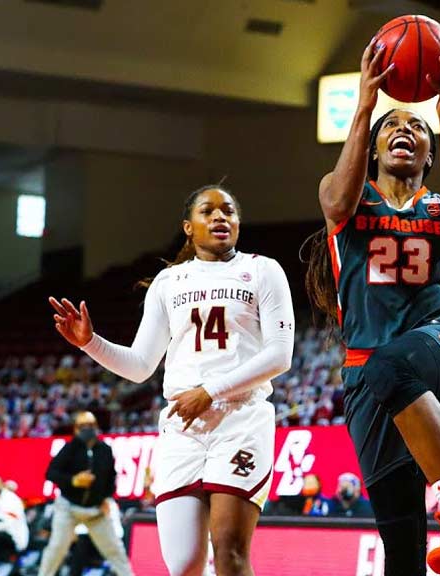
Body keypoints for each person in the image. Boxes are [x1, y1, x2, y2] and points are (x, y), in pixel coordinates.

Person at [304, 35, 440, 576]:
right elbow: (334, 201)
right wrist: (365, 106)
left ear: (430, 155)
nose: (405, 132)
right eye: (393, 127)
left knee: (392, 361)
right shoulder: (348, 197)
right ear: (372, 146)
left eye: (416, 129)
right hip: (366, 373)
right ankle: (439, 529)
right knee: (401, 541)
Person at [50, 186, 295, 576]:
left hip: (240, 419)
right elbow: (140, 365)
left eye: (228, 211)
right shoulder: (169, 283)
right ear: (188, 226)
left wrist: (209, 391)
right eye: (208, 211)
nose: (220, 217)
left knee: (229, 552)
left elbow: (280, 355)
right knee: (183, 565)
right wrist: (90, 343)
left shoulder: (264, 270)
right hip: (183, 425)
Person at [36, 412, 133, 576]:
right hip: (69, 508)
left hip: (95, 511)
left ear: (96, 426)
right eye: (82, 426)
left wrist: (106, 498)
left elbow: (111, 478)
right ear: (76, 429)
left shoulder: (105, 450)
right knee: (56, 549)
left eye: (90, 424)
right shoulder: (69, 448)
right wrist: (74, 480)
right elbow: (51, 473)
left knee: (115, 550)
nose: (87, 428)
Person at [70, 498, 124, 576]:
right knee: (81, 542)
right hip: (87, 544)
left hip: (107, 542)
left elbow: (118, 532)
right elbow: (78, 530)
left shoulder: (110, 504)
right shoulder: (82, 503)